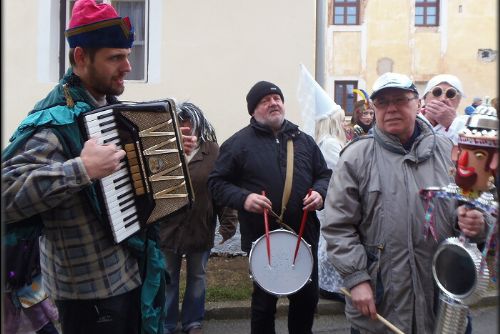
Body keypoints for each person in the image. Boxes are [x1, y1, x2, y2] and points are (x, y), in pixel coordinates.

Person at [2, 1, 196, 333]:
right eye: (115, 58)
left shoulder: (113, 114)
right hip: (87, 297)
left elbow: (134, 183)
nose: (128, 66)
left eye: (128, 54)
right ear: (80, 57)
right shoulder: (51, 126)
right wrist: (81, 170)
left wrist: (171, 156)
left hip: (132, 276)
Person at [322, 72, 486, 334]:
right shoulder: (355, 157)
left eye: (400, 99)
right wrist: (356, 279)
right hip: (382, 299)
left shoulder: (447, 151)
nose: (391, 109)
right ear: (374, 108)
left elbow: (472, 206)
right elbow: (338, 227)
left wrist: (477, 223)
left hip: (443, 296)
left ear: (417, 103)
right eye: (383, 103)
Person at [208, 81, 332, 334]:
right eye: (266, 100)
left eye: (278, 98)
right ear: (254, 110)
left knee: (306, 301)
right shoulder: (238, 143)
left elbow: (325, 175)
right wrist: (244, 198)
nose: (274, 102)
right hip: (261, 238)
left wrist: (320, 193)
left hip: (303, 236)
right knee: (264, 306)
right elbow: (216, 183)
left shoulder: (305, 141)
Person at [159, 102, 238, 334]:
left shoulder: (212, 152)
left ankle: (193, 322)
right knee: (168, 278)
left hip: (200, 229)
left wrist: (228, 224)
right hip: (168, 230)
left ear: (198, 123)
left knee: (197, 277)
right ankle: (167, 323)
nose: (185, 126)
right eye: (180, 122)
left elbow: (222, 189)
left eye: (189, 122)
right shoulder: (165, 150)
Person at [314, 105, 347, 302]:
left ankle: (327, 284)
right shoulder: (330, 144)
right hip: (335, 200)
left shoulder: (326, 142)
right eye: (341, 120)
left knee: (326, 241)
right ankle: (329, 286)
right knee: (330, 243)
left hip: (330, 199)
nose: (344, 124)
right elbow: (340, 173)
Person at [419, 74, 468, 144]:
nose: (443, 99)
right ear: (425, 97)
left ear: (459, 101)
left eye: (451, 94)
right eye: (437, 92)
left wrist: (453, 124)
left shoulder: (466, 124)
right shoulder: (410, 119)